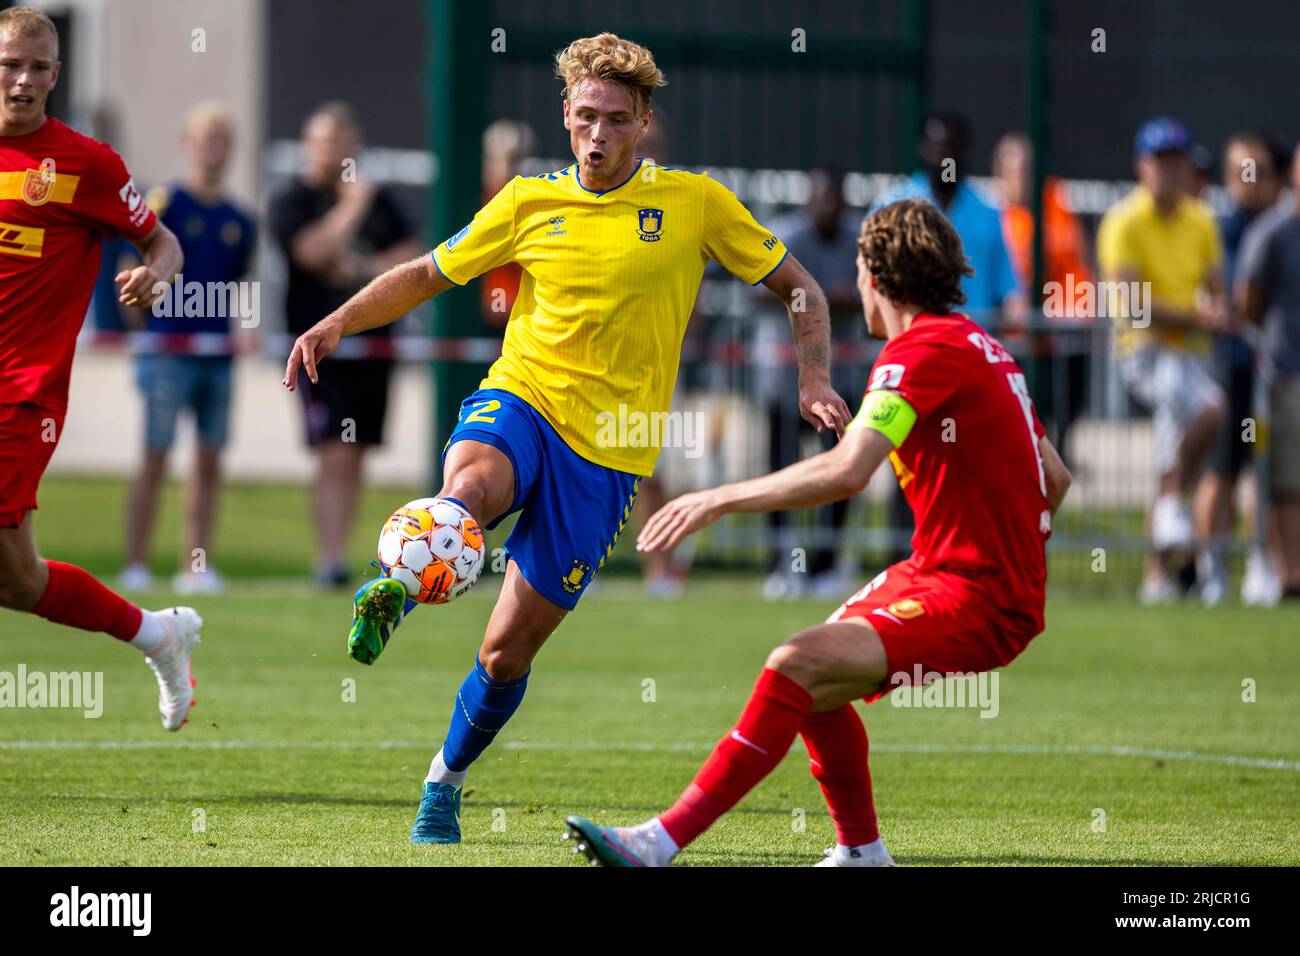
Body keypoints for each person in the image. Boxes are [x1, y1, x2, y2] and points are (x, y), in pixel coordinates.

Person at [282, 33, 850, 845]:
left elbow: (800, 289)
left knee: (506, 653)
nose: (597, 134)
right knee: (470, 491)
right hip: (523, 400)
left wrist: (814, 380)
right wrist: (338, 319)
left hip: (610, 454)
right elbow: (427, 275)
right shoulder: (526, 201)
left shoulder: (695, 204)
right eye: (585, 117)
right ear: (565, 115)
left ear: (643, 122)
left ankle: (443, 783)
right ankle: (399, 584)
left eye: (616, 120)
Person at [562, 197, 1071, 867]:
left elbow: (848, 471)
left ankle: (657, 845)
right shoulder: (983, 347)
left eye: (860, 265)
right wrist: (999, 539)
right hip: (948, 572)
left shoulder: (919, 352)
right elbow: (1055, 479)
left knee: (795, 666)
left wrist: (717, 499)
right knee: (810, 679)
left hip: (974, 591)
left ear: (875, 274)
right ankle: (861, 852)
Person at [0, 7, 200, 731]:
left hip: (20, 395)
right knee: (18, 580)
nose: (23, 81)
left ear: (57, 74)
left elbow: (164, 243)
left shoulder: (83, 164)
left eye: (38, 68)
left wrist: (156, 275)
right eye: (9, 64)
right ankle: (158, 633)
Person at [270, 102, 420, 588]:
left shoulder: (385, 201)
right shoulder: (294, 198)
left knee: (357, 452)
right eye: (325, 140)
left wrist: (361, 269)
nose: (334, 150)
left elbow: (411, 259)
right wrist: (352, 206)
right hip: (320, 353)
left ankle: (344, 554)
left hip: (373, 348)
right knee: (333, 449)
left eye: (342, 139)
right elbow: (312, 251)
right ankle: (329, 558)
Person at [120, 102, 256, 595]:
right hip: (166, 351)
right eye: (205, 138)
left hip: (217, 353)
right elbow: (132, 268)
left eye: (223, 139)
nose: (213, 149)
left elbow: (235, 280)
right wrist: (144, 338)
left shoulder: (240, 219)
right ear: (187, 144)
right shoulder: (164, 202)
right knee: (154, 456)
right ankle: (135, 563)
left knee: (209, 461)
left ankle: (196, 565)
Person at [1097, 117, 1228, 605]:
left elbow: (1219, 291)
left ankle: (1156, 575)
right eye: (1160, 161)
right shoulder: (1122, 221)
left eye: (1177, 161)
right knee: (1210, 410)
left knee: (1171, 453)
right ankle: (1174, 504)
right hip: (1145, 351)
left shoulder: (1202, 219)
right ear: (1141, 166)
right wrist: (1198, 315)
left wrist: (1216, 310)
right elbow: (1132, 305)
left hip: (1191, 354)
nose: (1170, 171)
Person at [755, 167, 865, 599]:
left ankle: (827, 564)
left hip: (839, 379)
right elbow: (757, 287)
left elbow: (872, 292)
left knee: (840, 470)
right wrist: (811, 295)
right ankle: (781, 562)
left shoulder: (857, 240)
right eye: (821, 198)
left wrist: (839, 297)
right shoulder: (785, 235)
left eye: (835, 199)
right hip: (785, 381)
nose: (827, 207)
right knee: (780, 471)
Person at [1194, 132, 1286, 604]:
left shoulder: (1284, 227)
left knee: (1270, 474)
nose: (1250, 183)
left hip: (1278, 374)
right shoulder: (1216, 230)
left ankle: (1265, 564)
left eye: (1259, 172)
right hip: (1232, 369)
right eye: (1240, 173)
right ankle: (1212, 567)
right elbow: (1226, 300)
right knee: (1224, 469)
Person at [993, 131, 1094, 465]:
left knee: (1065, 398)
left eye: (1026, 169)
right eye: (1014, 169)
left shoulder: (1055, 204)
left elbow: (1071, 258)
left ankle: (1056, 454)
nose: (1021, 177)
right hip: (1015, 337)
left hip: (1059, 328)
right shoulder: (995, 216)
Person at [876, 112, 1024, 329]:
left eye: (951, 149)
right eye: (937, 149)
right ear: (922, 149)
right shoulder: (890, 207)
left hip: (970, 348)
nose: (944, 159)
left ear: (964, 154)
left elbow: (1009, 290)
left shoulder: (988, 213)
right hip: (913, 346)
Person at [1238, 143, 1300, 599]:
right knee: (1286, 482)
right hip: (1285, 377)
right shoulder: (1274, 232)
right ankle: (1288, 573)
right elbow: (1249, 302)